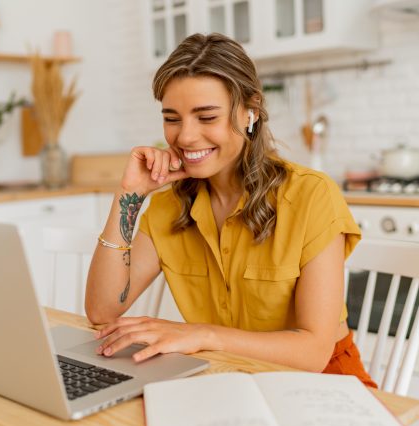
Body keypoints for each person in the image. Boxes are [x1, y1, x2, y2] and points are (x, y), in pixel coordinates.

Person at [84, 33, 376, 388]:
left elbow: (313, 351)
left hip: (323, 381)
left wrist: (204, 335)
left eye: (206, 117)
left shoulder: (311, 195)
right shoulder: (167, 205)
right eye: (172, 118)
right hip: (228, 376)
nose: (186, 136)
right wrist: (129, 194)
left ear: (250, 111)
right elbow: (101, 311)